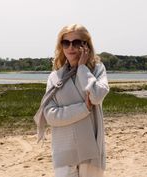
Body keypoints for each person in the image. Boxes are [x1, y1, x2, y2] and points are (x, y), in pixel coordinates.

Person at [37, 24, 109, 177]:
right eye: (66, 42)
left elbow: (96, 96)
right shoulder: (55, 77)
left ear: (86, 45)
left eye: (76, 42)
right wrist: (83, 108)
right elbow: (50, 115)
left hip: (91, 148)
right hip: (64, 149)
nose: (71, 47)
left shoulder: (97, 70)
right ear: (61, 46)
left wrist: (83, 68)